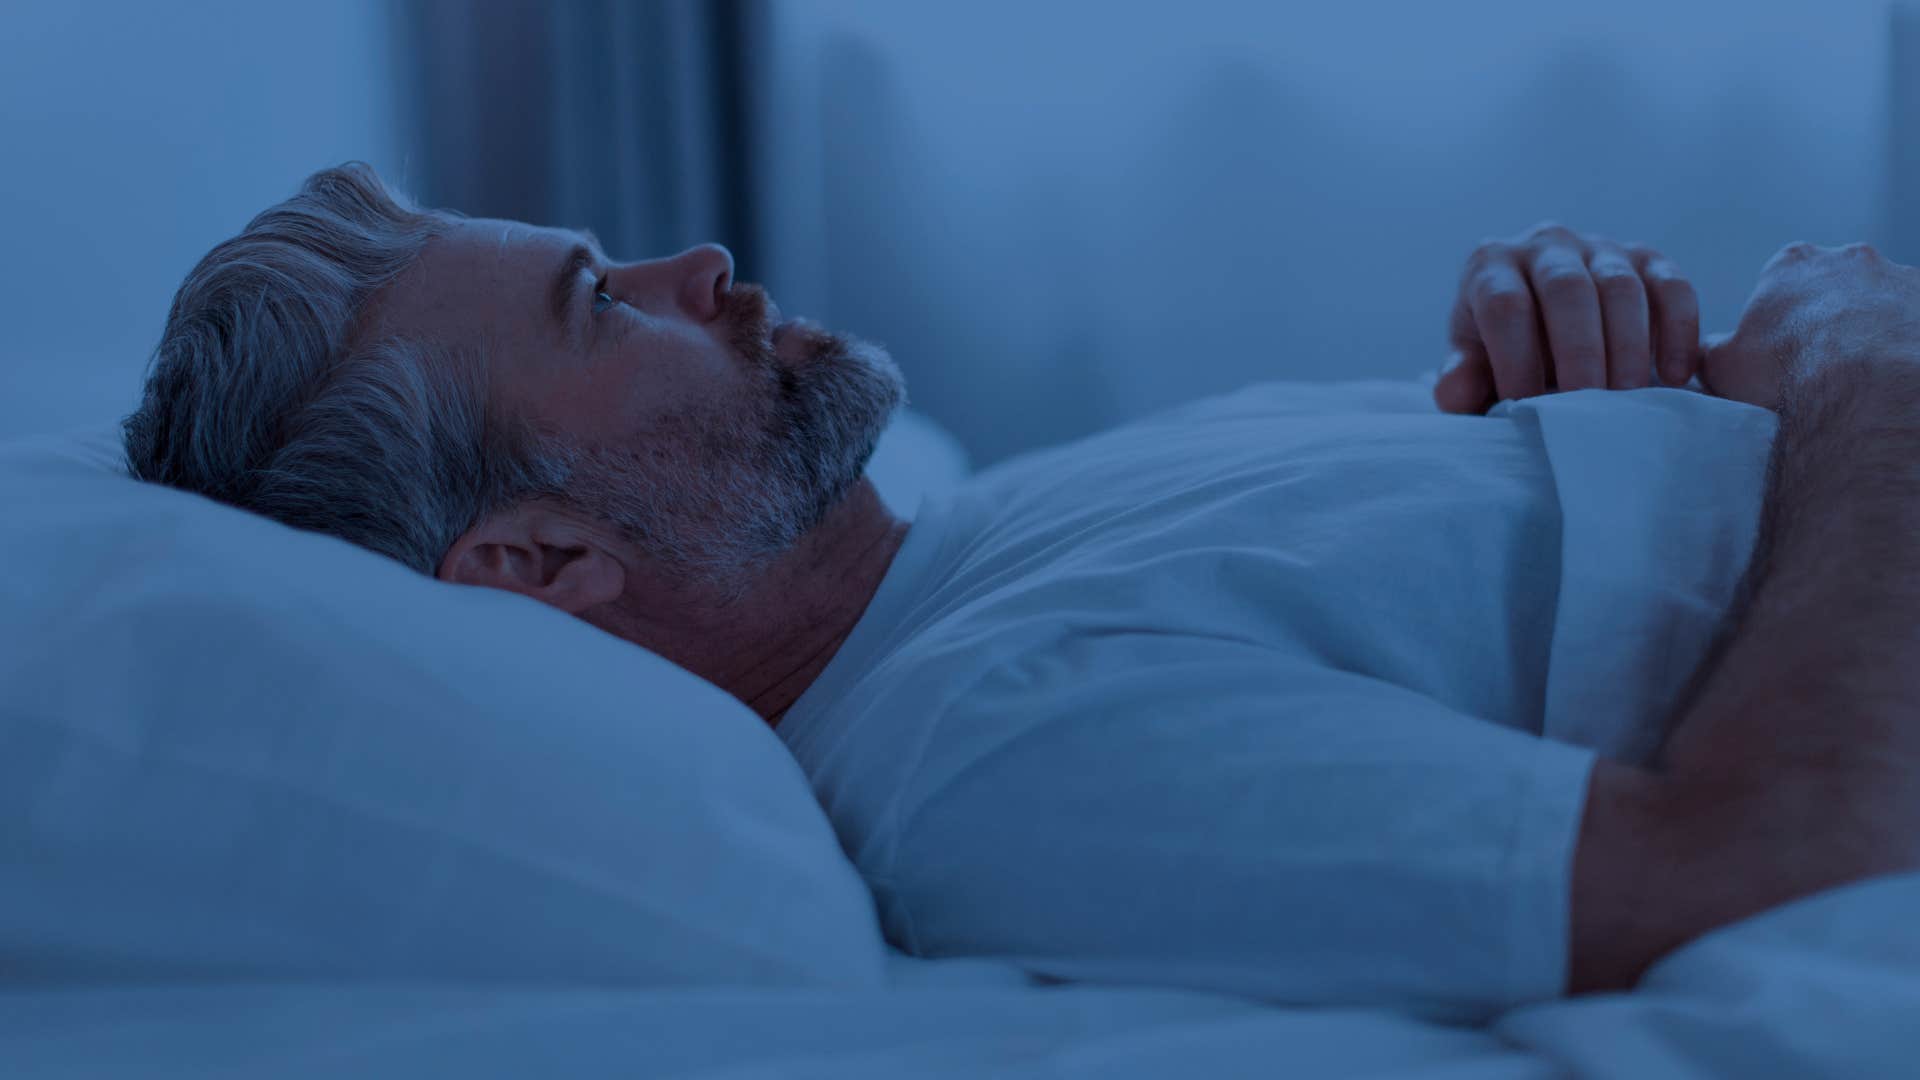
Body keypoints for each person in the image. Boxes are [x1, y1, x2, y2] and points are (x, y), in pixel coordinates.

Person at [124, 162, 1920, 1022]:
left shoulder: (990, 533)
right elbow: (1759, 867)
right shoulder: (990, 753)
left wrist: (1579, 339)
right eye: (601, 302)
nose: (701, 264)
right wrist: (1854, 366)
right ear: (535, 563)